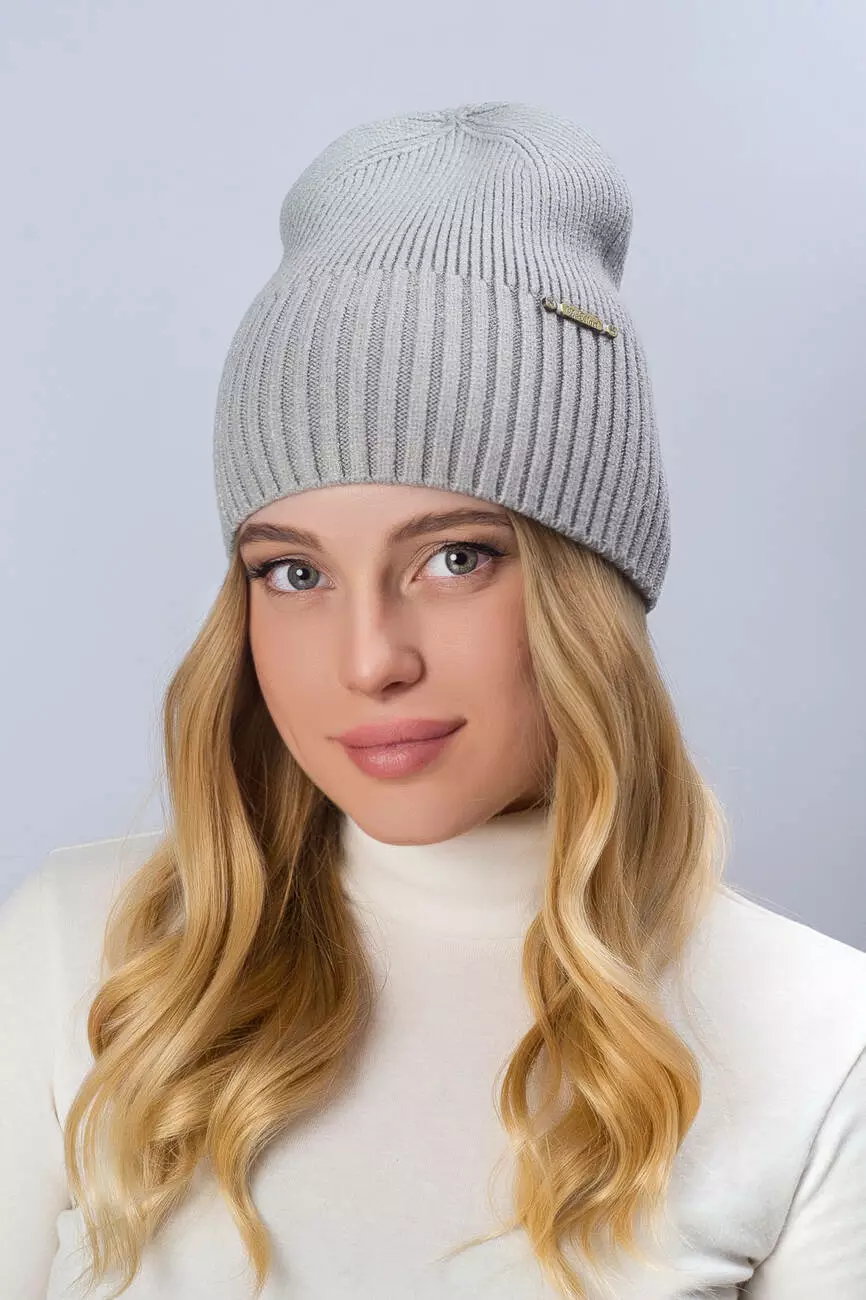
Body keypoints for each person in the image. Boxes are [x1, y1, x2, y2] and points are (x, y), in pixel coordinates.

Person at [1, 101, 865, 1300]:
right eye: (292, 572)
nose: (368, 661)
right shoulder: (85, 950)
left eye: (454, 557)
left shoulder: (819, 1039)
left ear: (587, 589)